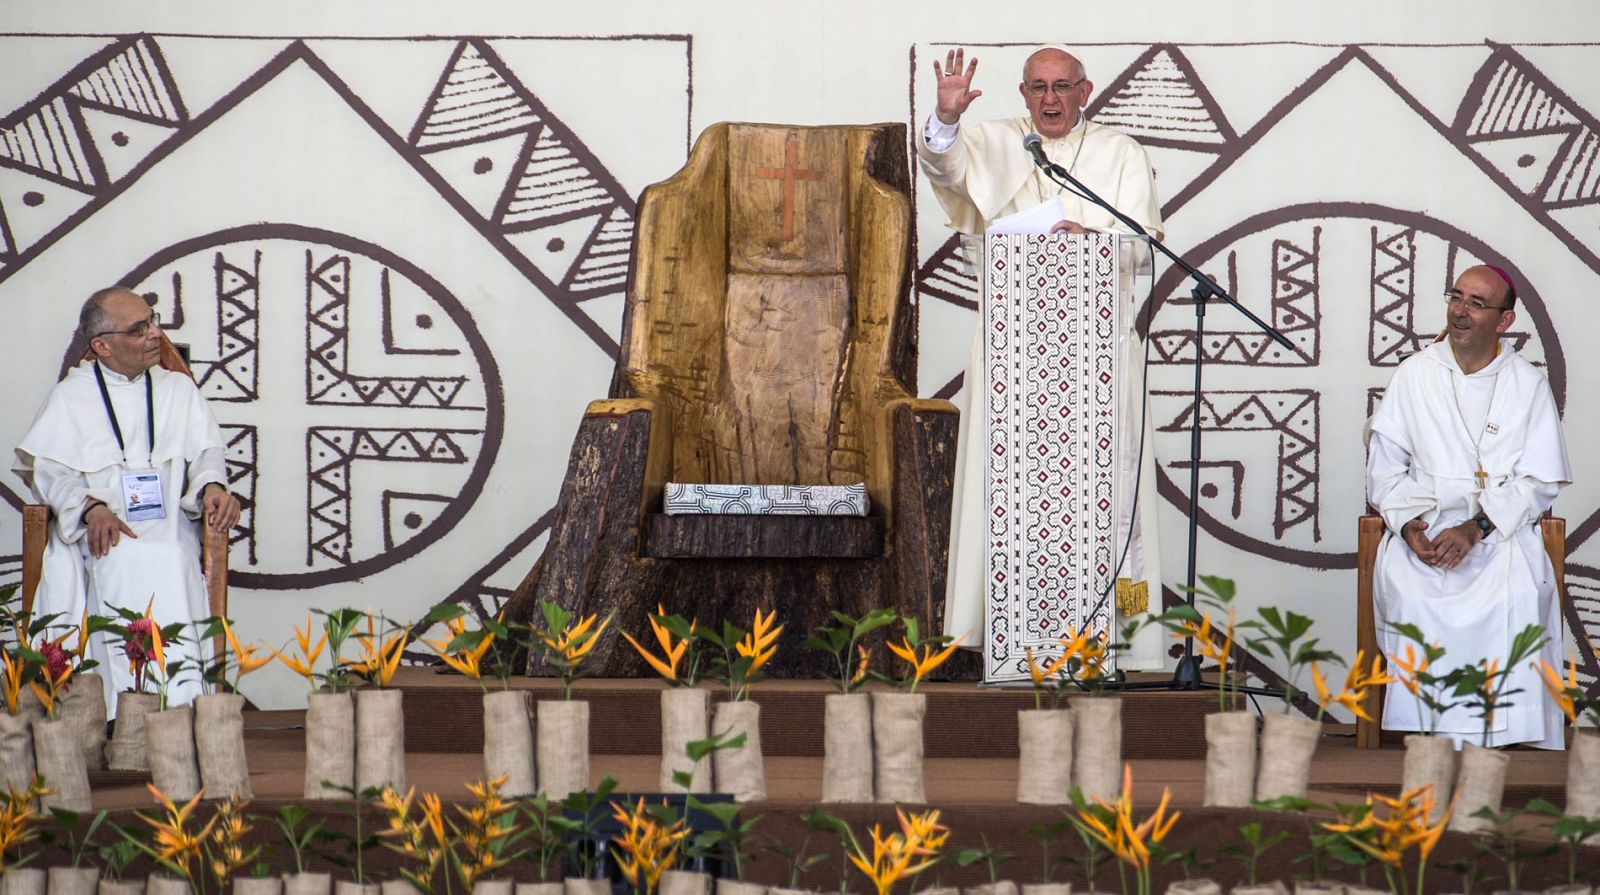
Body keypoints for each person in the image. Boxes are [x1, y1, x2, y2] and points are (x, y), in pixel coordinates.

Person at [918, 46, 1165, 669]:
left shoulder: (1118, 153)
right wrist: (945, 119)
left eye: (1062, 86)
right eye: (1038, 88)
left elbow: (1141, 247)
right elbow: (947, 174)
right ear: (1022, 93)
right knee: (1009, 497)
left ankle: (1122, 642)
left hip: (1098, 350)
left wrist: (1095, 242)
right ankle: (1013, 640)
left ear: (1086, 91)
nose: (1050, 99)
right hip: (1014, 355)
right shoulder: (997, 140)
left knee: (1111, 492)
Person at [1366, 264, 1570, 749]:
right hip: (1428, 529)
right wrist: (1410, 527)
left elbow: (1540, 480)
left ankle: (1502, 737)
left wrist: (1477, 527)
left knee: (1516, 594)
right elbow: (1384, 470)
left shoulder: (1527, 384)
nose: (1460, 311)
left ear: (1504, 321)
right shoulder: (1415, 373)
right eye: (1456, 297)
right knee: (1414, 594)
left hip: (1499, 530)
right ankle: (1430, 735)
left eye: (1477, 303)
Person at [15, 286, 240, 711]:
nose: (155, 334)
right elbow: (48, 470)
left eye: (153, 321)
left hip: (168, 521)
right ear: (102, 346)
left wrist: (213, 486)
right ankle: (113, 712)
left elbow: (207, 451)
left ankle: (181, 707)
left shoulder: (178, 390)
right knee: (113, 556)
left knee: (170, 555)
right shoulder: (71, 396)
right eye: (139, 329)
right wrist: (90, 507)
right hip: (99, 527)